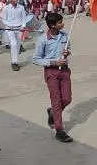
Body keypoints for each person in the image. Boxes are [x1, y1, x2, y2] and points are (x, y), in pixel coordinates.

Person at [32, 13, 73, 142]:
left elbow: (68, 48)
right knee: (56, 100)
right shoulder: (43, 39)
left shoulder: (65, 35)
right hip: (51, 73)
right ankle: (59, 130)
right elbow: (36, 59)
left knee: (66, 99)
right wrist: (53, 62)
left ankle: (52, 113)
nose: (63, 24)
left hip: (65, 71)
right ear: (52, 25)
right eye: (60, 22)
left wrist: (67, 52)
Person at [4, 0, 26, 71]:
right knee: (13, 44)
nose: (16, 0)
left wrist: (23, 26)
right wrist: (9, 26)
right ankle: (14, 63)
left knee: (17, 45)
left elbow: (24, 19)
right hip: (10, 29)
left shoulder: (21, 8)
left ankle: (15, 60)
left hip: (19, 28)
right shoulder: (6, 8)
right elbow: (4, 20)